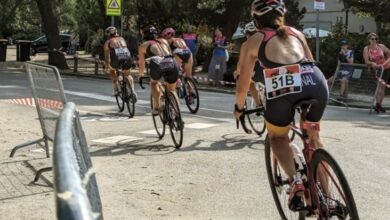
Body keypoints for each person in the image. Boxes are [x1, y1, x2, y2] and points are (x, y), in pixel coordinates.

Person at [234, 0, 328, 211]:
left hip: (283, 85)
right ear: (281, 17)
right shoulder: (297, 33)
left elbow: (242, 87)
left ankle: (295, 181)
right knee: (313, 137)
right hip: (315, 81)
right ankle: (328, 199)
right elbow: (310, 62)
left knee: (277, 137)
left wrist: (239, 109)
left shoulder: (253, 41)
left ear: (256, 19)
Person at [138, 26, 180, 115]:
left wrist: (141, 75)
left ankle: (156, 108)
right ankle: (177, 114)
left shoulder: (143, 46)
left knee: (154, 83)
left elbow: (142, 64)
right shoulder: (164, 41)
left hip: (158, 65)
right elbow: (170, 53)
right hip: (171, 63)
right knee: (172, 90)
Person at [234, 21, 264, 107]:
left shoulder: (246, 44)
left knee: (250, 84)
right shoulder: (265, 42)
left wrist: (238, 72)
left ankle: (257, 105)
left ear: (247, 34)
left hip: (256, 71)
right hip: (269, 71)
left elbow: (241, 63)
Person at [103, 26, 136, 100]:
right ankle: (133, 91)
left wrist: (107, 67)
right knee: (128, 74)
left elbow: (107, 57)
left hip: (116, 59)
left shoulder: (108, 42)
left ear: (108, 35)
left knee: (112, 70)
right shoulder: (122, 39)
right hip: (127, 58)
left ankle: (116, 89)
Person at [363, 32, 390, 113]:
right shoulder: (366, 49)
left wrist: (386, 61)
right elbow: (366, 61)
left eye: (376, 39)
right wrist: (372, 63)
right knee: (380, 86)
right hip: (377, 70)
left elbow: (389, 52)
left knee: (383, 87)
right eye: (372, 39)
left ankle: (379, 105)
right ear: (369, 40)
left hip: (386, 68)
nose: (374, 40)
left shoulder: (381, 46)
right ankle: (378, 104)